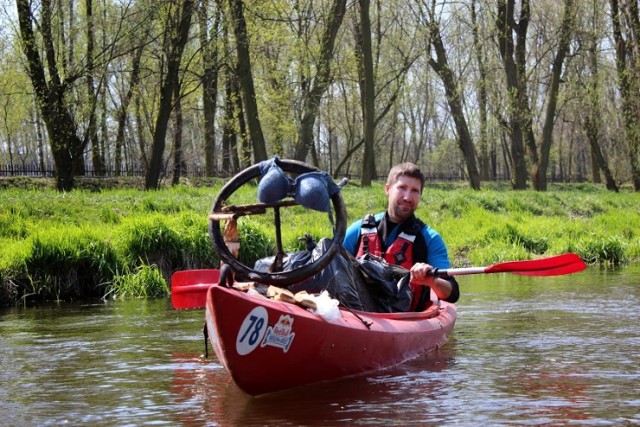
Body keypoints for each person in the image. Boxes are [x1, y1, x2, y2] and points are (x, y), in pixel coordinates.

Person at [343, 163, 459, 311]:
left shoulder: (430, 238)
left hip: (406, 319)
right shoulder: (358, 230)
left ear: (420, 196)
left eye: (415, 191)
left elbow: (452, 293)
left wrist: (432, 281)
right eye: (402, 188)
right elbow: (333, 271)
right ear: (387, 189)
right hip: (359, 313)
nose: (407, 197)